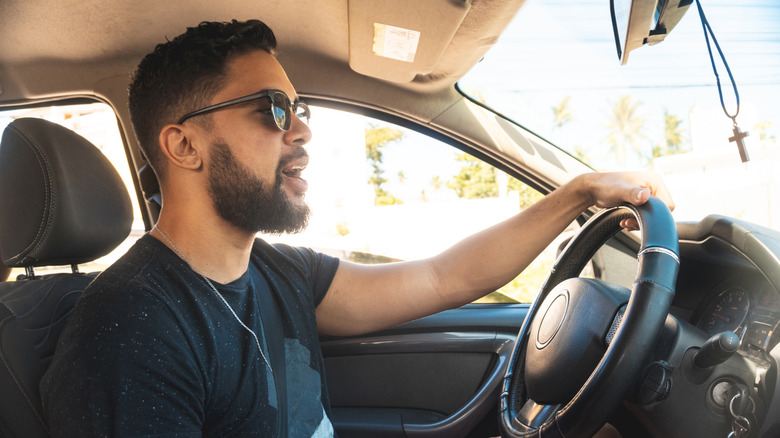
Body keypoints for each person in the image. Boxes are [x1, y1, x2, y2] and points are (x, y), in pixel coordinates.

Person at [40, 19, 674, 437]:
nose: (303, 128)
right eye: (273, 109)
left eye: (301, 108)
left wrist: (574, 196)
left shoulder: (276, 271)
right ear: (183, 146)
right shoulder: (130, 330)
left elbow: (440, 277)